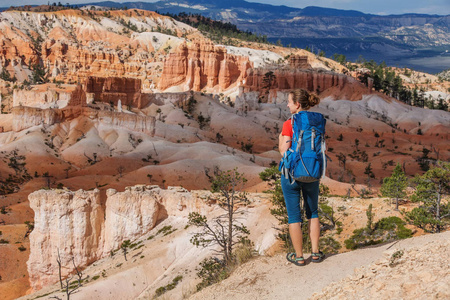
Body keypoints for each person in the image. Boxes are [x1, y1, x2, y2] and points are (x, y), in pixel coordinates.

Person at [278, 88, 325, 266]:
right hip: (312, 172)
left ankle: (299, 256)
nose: (287, 104)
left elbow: (284, 151)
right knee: (313, 212)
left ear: (297, 104)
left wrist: (281, 139)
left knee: (294, 216)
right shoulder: (317, 122)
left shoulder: (289, 123)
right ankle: (315, 253)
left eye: (289, 101)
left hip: (291, 175)